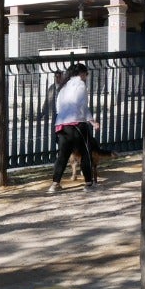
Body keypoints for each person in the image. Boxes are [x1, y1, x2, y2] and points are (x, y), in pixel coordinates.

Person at [49, 62, 99, 192]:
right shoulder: (80, 85)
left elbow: (58, 107)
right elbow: (82, 105)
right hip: (77, 123)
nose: (86, 77)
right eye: (86, 74)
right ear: (81, 73)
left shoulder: (63, 86)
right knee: (85, 153)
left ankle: (55, 185)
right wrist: (91, 121)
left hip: (61, 125)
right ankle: (88, 184)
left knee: (63, 155)